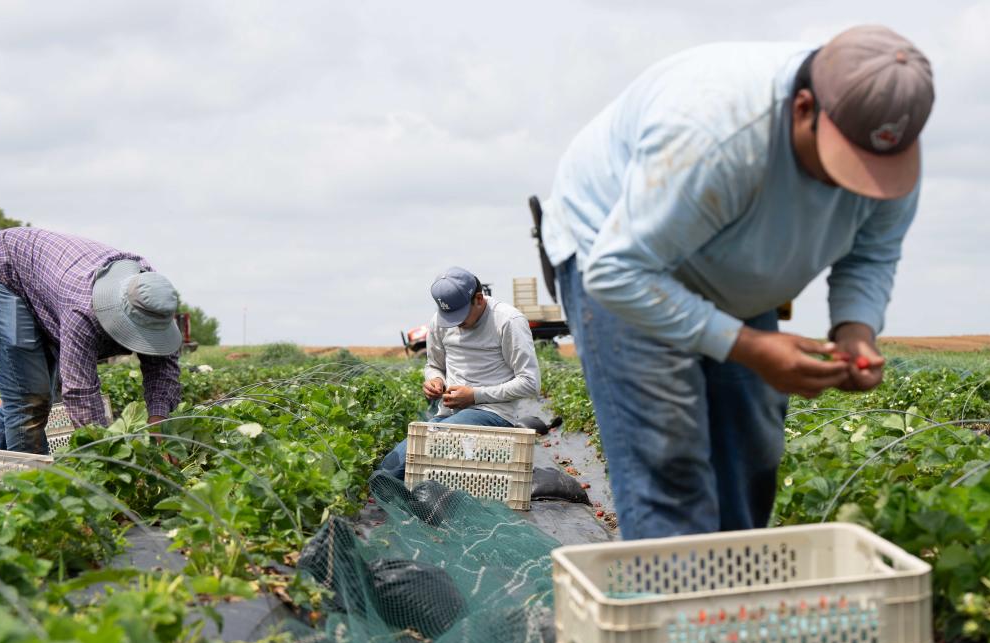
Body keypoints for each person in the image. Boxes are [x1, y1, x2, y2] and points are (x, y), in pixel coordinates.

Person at [539, 24, 934, 540]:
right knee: (670, 464)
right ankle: (672, 613)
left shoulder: (885, 145)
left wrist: (856, 330)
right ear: (803, 109)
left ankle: (728, 599)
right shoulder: (713, 134)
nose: (850, 186)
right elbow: (618, 273)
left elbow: (873, 254)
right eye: (843, 165)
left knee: (750, 456)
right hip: (620, 259)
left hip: (729, 266)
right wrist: (749, 346)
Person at [0, 227, 184, 454]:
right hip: (3, 270)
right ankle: (31, 482)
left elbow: (163, 370)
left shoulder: (155, 300)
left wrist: (158, 429)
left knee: (34, 395)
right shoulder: (83, 311)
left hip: (45, 281)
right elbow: (81, 393)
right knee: (28, 399)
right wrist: (110, 456)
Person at [379, 267, 540, 479]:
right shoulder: (439, 321)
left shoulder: (508, 321)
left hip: (492, 414)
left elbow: (530, 382)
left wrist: (474, 395)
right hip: (448, 416)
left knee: (426, 448)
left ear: (479, 299)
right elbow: (434, 365)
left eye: (460, 317)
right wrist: (435, 379)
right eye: (449, 317)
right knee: (390, 469)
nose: (455, 324)